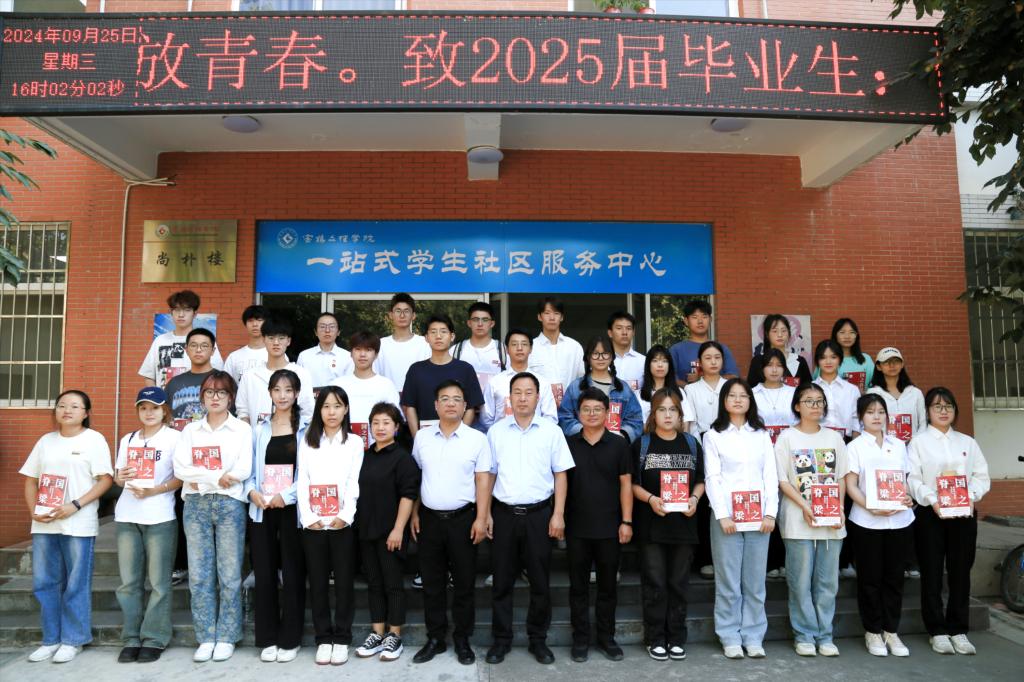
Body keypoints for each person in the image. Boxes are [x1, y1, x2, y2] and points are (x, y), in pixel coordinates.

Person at [486, 372, 575, 666]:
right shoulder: (496, 432)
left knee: (540, 582)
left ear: (538, 397)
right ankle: (501, 640)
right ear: (509, 397)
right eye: (517, 392)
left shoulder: (551, 431)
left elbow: (560, 475)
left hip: (540, 515)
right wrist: (485, 514)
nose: (522, 398)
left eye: (528, 393)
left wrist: (558, 514)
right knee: (501, 582)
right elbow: (489, 476)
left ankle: (538, 640)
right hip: (504, 514)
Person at [21, 390, 113, 664]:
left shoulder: (94, 440)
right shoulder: (46, 441)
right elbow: (30, 480)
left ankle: (73, 639)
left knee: (75, 583)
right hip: (45, 523)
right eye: (62, 405)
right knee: (44, 582)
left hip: (78, 522)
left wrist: (75, 504)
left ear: (86, 413)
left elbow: (105, 480)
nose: (67, 410)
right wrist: (33, 512)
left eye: (74, 406)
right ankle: (50, 639)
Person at [409, 379, 492, 666]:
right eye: (445, 399)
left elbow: (483, 481)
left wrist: (481, 518)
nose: (451, 404)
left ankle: (462, 639)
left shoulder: (477, 439)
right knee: (432, 584)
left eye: (457, 399)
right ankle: (435, 638)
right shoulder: (422, 438)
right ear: (436, 405)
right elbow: (417, 477)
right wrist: (415, 513)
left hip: (463, 519)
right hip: (429, 520)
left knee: (464, 584)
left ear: (465, 405)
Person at [172, 371, 252, 663]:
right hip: (195, 505)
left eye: (221, 393)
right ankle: (206, 636)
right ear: (201, 397)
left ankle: (227, 635)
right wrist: (217, 478)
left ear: (231, 397)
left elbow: (242, 469)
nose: (215, 398)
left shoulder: (242, 430)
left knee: (229, 574)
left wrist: (202, 479)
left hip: (230, 505)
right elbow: (181, 468)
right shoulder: (191, 431)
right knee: (199, 574)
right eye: (209, 392)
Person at [907, 387, 990, 656]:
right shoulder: (918, 443)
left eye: (948, 406)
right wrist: (933, 500)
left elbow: (981, 476)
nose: (943, 411)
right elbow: (912, 478)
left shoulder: (967, 442)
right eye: (937, 406)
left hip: (963, 515)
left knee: (960, 572)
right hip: (930, 515)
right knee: (931, 572)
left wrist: (969, 496)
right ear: (928, 411)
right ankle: (937, 631)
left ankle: (958, 629)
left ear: (955, 410)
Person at [703, 378, 778, 660]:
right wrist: (722, 515)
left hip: (759, 518)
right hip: (727, 519)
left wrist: (771, 512)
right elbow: (712, 477)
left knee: (755, 582)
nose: (737, 400)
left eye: (743, 395)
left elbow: (770, 474)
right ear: (724, 401)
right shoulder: (713, 435)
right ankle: (730, 635)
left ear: (750, 401)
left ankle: (754, 635)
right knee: (728, 583)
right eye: (732, 395)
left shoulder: (761, 435)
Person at [774, 382, 848, 657]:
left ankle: (825, 635)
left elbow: (841, 477)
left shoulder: (834, 438)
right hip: (797, 519)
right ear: (797, 406)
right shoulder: (786, 438)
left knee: (828, 583)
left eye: (819, 401)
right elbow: (782, 480)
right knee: (800, 582)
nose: (815, 406)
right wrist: (806, 506)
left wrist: (839, 508)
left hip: (831, 522)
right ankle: (804, 634)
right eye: (809, 401)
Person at [631, 388, 704, 662]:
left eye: (673, 409)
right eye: (662, 409)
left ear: (680, 414)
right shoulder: (642, 444)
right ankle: (655, 638)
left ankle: (676, 637)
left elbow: (701, 480)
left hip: (683, 527)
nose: (668, 415)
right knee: (655, 584)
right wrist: (651, 499)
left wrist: (694, 499)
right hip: (652, 526)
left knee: (678, 584)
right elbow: (632, 484)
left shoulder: (691, 444)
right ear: (653, 414)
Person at [112, 387, 182, 664]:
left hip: (160, 515)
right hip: (127, 515)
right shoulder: (128, 439)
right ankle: (131, 637)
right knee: (129, 583)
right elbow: (118, 477)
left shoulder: (175, 438)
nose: (149, 412)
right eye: (143, 407)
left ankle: (154, 638)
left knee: (159, 582)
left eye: (154, 407)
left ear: (165, 410)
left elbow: (181, 477)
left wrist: (155, 490)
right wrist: (122, 477)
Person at [296, 386, 364, 666]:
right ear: (319, 410)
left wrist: (345, 515)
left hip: (341, 523)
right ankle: (323, 638)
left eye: (337, 406)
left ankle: (342, 637)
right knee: (318, 582)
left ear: (346, 409)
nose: (332, 412)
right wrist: (308, 516)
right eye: (326, 406)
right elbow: (302, 479)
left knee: (345, 582)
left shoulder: (354, 442)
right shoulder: (308, 440)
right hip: (313, 523)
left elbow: (353, 481)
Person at [565, 387, 633, 663]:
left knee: (608, 588)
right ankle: (580, 639)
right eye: (586, 409)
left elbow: (626, 484)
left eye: (597, 409)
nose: (591, 414)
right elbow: (561, 484)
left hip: (610, 528)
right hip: (576, 528)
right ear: (578, 413)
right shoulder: (569, 444)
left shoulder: (619, 445)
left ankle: (607, 638)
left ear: (607, 413)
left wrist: (626, 521)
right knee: (578, 588)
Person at [845, 394, 914, 658]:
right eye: (870, 412)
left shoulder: (898, 444)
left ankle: (891, 630)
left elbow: (904, 480)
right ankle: (872, 631)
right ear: (861, 417)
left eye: (881, 412)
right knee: (870, 578)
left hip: (899, 520)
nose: (876, 416)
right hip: (867, 522)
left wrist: (907, 497)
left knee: (894, 578)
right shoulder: (855, 447)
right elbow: (851, 485)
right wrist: (869, 505)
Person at [244, 369, 306, 663]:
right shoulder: (259, 429)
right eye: (277, 390)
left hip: (292, 510)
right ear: (269, 393)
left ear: (297, 394)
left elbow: (309, 473)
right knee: (264, 573)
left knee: (293, 573)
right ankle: (267, 637)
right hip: (262, 509)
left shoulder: (306, 429)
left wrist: (287, 495)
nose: (282, 396)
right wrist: (252, 493)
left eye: (288, 390)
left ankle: (290, 638)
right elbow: (248, 471)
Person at [353, 402, 421, 662]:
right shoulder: (364, 456)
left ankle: (394, 636)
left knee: (393, 585)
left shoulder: (403, 458)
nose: (380, 428)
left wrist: (398, 529)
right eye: (376, 423)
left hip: (391, 533)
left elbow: (408, 495)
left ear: (396, 427)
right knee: (374, 584)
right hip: (366, 530)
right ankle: (377, 633)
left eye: (386, 423)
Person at [683, 340, 728, 579]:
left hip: (728, 448)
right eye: (708, 358)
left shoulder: (730, 387)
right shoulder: (691, 390)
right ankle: (705, 559)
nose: (713, 362)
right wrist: (700, 450)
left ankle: (725, 558)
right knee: (703, 504)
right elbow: (690, 425)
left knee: (725, 500)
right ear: (699, 362)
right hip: (701, 447)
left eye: (717, 357)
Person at [752, 348, 797, 579]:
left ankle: (788, 562)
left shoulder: (794, 393)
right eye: (770, 365)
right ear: (762, 368)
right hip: (761, 457)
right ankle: (770, 562)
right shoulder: (752, 393)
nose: (774, 369)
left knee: (788, 508)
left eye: (779, 365)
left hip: (790, 457)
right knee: (767, 507)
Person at [402, 314, 484, 437]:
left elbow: (471, 407)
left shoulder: (465, 369)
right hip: (425, 437)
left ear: (452, 336)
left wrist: (461, 436)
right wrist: (417, 439)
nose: (438, 336)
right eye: (433, 332)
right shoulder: (416, 370)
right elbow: (410, 407)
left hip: (458, 437)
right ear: (426, 338)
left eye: (443, 331)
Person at [558, 336, 644, 444]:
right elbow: (564, 417)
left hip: (614, 446)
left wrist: (621, 435)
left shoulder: (623, 388)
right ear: (588, 357)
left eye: (605, 353)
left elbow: (636, 419)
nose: (600, 358)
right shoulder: (575, 387)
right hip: (583, 445)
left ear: (612, 357)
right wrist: (586, 433)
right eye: (595, 354)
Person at [236, 317, 315, 425]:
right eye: (271, 338)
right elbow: (243, 412)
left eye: (281, 338)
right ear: (263, 340)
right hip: (256, 434)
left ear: (288, 341)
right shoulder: (250, 376)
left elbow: (307, 412)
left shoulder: (301, 374)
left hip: (291, 434)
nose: (276, 343)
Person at [138, 290, 223, 388]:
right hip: (164, 397)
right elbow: (149, 376)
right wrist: (157, 397)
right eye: (177, 310)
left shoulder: (205, 340)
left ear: (195, 314)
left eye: (187, 310)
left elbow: (218, 374)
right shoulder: (160, 341)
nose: (181, 314)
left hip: (195, 396)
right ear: (171, 312)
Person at [331, 331, 401, 448]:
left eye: (368, 350)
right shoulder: (338, 385)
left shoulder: (386, 385)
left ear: (376, 354)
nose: (362, 354)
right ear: (351, 353)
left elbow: (395, 419)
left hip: (379, 449)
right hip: (342, 447)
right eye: (358, 349)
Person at [482, 328, 557, 431]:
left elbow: (550, 418)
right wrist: (499, 435)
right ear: (507, 349)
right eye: (514, 344)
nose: (519, 348)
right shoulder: (495, 382)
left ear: (531, 349)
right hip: (503, 438)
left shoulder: (542, 383)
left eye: (524, 344)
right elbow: (486, 419)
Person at [529, 296, 584, 408]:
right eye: (547, 313)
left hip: (570, 409)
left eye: (556, 313)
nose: (552, 317)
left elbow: (582, 379)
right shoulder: (531, 347)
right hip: (539, 409)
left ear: (562, 317)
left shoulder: (574, 346)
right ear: (539, 317)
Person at [668, 300, 738, 385]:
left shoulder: (722, 349)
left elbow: (733, 377)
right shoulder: (676, 350)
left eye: (704, 317)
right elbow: (670, 379)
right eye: (695, 317)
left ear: (710, 319)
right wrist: (691, 389)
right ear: (686, 321)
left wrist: (704, 378)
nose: (700, 321)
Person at [867, 347, 927, 444]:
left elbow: (923, 423)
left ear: (902, 364)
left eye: (896, 361)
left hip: (913, 447)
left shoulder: (915, 393)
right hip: (884, 447)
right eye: (886, 362)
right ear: (878, 366)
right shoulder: (873, 393)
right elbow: (868, 424)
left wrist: (915, 441)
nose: (892, 365)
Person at [373, 293, 430, 393]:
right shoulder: (381, 344)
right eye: (398, 311)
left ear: (413, 315)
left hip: (418, 398)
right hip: (387, 398)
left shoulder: (425, 344)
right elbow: (375, 377)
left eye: (406, 311)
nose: (402, 315)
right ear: (391, 315)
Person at [451, 301, 507, 398]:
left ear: (492, 323)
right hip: (465, 404)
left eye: (485, 320)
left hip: (495, 405)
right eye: (475, 319)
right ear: (469, 323)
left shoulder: (503, 350)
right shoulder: (456, 350)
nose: (480, 324)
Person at [165, 328, 217, 430]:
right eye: (193, 345)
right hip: (180, 438)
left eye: (204, 345)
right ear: (186, 350)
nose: (198, 350)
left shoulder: (223, 381)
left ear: (213, 351)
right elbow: (164, 417)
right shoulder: (173, 383)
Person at [813, 339, 860, 441]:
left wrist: (854, 445)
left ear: (840, 360)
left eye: (833, 357)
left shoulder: (852, 390)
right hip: (815, 440)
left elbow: (856, 421)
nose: (828, 362)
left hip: (845, 441)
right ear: (817, 361)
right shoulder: (809, 389)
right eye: (823, 357)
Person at [747, 314, 813, 387]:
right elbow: (751, 389)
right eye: (775, 331)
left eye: (783, 331)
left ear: (789, 333)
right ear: (767, 334)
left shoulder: (800, 361)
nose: (780, 335)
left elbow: (808, 388)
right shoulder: (758, 361)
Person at [638, 344, 693, 427]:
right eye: (655, 361)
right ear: (648, 365)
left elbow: (686, 423)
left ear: (669, 365)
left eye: (664, 361)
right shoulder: (639, 395)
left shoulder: (679, 392)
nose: (660, 365)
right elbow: (640, 426)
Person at [297, 312, 353, 393]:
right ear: (316, 332)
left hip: (338, 400)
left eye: (332, 327)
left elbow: (350, 385)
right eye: (322, 327)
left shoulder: (348, 357)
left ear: (338, 332)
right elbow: (298, 384)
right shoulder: (304, 356)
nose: (327, 330)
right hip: (310, 400)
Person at [827, 318, 874, 394]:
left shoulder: (866, 359)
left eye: (852, 332)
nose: (847, 336)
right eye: (842, 332)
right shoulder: (827, 360)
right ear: (835, 335)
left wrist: (865, 392)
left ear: (856, 336)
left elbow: (875, 384)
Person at [223, 304, 268, 383]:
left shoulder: (277, 355)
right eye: (250, 321)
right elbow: (226, 385)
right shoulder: (234, 357)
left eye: (259, 320)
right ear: (245, 324)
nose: (255, 324)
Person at [607, 311, 645, 391]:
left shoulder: (643, 361)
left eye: (628, 328)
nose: (624, 332)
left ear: (633, 333)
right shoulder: (601, 361)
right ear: (610, 333)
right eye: (619, 328)